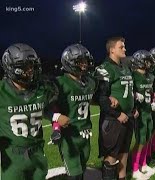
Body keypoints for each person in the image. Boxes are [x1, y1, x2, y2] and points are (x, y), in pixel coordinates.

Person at [0, 43, 69, 180]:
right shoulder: (2, 91)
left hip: (37, 151)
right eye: (26, 66)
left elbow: (46, 108)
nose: (31, 70)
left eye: (32, 65)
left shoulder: (42, 88)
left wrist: (56, 118)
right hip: (13, 155)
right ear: (12, 68)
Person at [53, 43, 96, 180]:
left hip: (85, 134)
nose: (84, 64)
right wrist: (56, 127)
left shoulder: (89, 82)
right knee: (74, 174)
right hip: (69, 136)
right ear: (69, 62)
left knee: (82, 171)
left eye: (85, 61)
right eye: (80, 61)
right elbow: (51, 106)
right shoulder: (60, 82)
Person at [94, 37, 135, 180]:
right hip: (113, 119)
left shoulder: (124, 67)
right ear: (112, 50)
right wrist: (117, 114)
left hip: (128, 116)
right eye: (121, 47)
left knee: (124, 152)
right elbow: (101, 97)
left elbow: (129, 92)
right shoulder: (105, 68)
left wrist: (133, 108)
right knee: (111, 156)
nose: (125, 49)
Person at [130, 50, 155, 179]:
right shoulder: (133, 75)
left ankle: (143, 163)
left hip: (148, 111)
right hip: (139, 113)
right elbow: (127, 92)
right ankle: (135, 168)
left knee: (147, 138)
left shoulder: (149, 76)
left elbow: (150, 92)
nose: (149, 63)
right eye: (147, 60)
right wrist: (134, 97)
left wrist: (153, 101)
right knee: (140, 140)